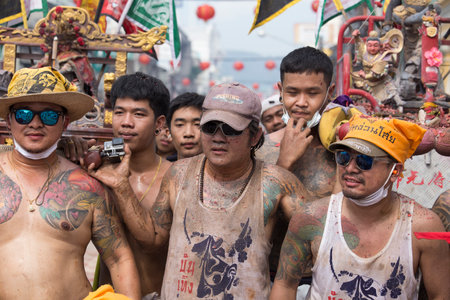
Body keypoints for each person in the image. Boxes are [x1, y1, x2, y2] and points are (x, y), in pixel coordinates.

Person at [89, 82, 310, 299]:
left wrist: (285, 282)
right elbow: (153, 239)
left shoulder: (277, 183)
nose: (218, 137)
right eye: (210, 127)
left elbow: (320, 240)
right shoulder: (179, 174)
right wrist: (121, 186)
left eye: (231, 129)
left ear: (254, 137)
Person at [270, 114, 449, 299]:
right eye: (343, 157)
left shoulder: (423, 227)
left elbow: (441, 295)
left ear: (395, 171)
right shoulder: (311, 217)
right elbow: (285, 286)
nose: (350, 168)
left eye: (364, 161)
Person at [0, 67, 140, 300]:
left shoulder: (87, 185)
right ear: (8, 120)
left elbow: (119, 258)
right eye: (24, 114)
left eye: (49, 116)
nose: (35, 124)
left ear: (64, 123)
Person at [82, 72, 172, 298]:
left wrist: (121, 186)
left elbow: (154, 244)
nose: (126, 122)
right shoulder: (95, 171)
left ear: (159, 123)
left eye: (139, 114)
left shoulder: (175, 177)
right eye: (119, 112)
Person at [257, 46, 338, 199]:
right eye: (292, 93)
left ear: (330, 92)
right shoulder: (261, 149)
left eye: (312, 93)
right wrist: (284, 162)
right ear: (281, 91)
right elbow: (254, 215)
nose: (301, 102)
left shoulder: (343, 146)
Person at [166, 92, 204, 160]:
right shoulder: (161, 170)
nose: (188, 133)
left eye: (197, 124)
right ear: (168, 132)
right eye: (180, 125)